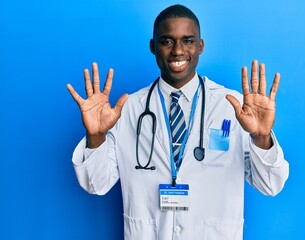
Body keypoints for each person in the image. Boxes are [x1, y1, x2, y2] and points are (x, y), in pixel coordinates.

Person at [67, 4, 289, 240]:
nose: (178, 51)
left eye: (188, 40)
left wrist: (262, 137)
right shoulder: (128, 109)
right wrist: (96, 137)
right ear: (153, 47)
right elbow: (96, 184)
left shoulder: (232, 107)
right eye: (166, 41)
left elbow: (270, 185)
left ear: (200, 46)